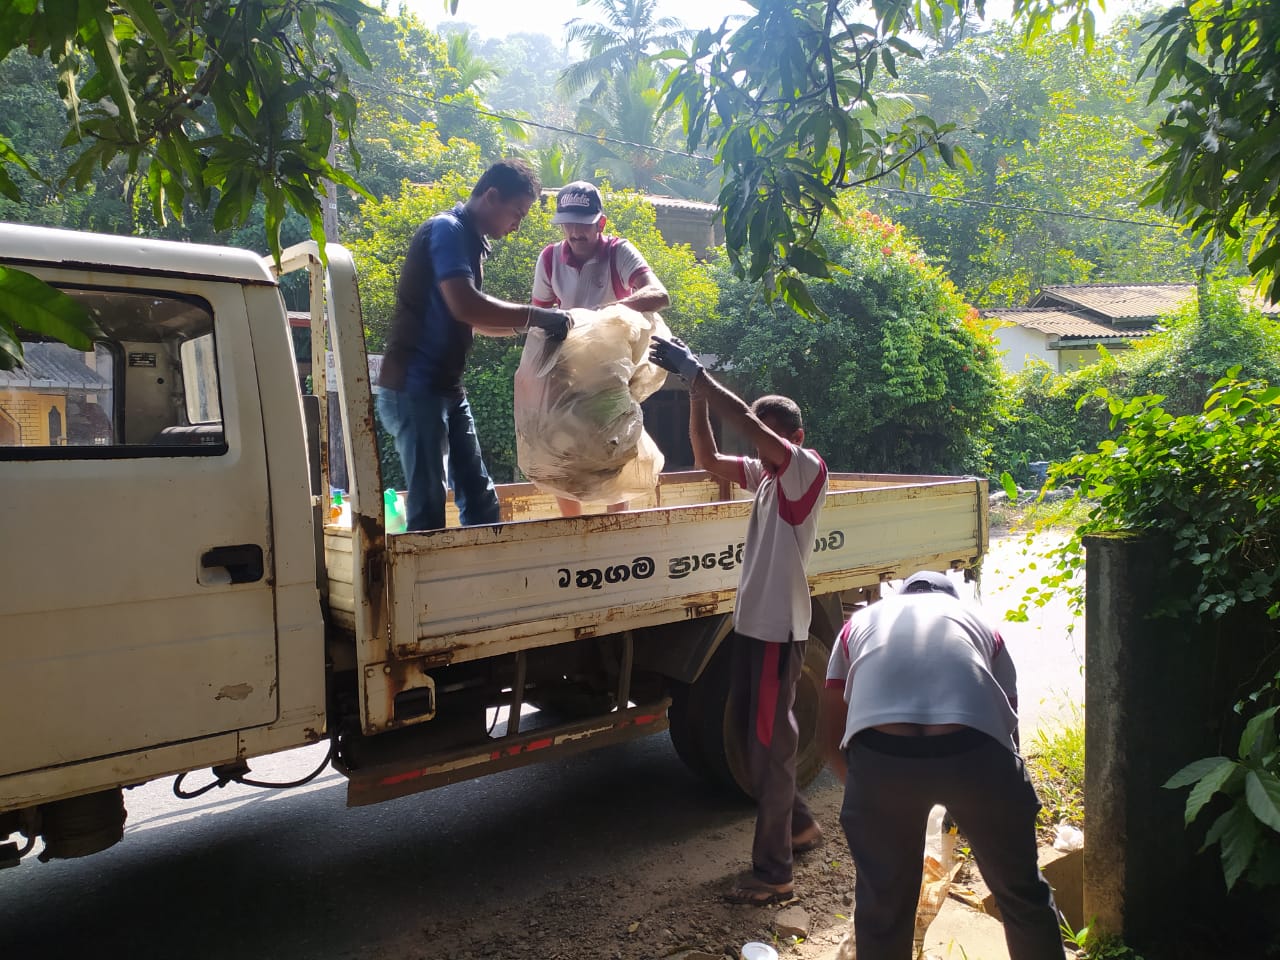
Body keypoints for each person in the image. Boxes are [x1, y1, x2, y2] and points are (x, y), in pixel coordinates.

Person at [648, 335, 829, 906]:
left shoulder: (803, 469)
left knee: (769, 751)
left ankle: (775, 873)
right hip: (754, 627)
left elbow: (748, 424)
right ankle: (799, 826)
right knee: (760, 745)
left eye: (771, 437)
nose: (762, 446)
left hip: (779, 631)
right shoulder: (770, 477)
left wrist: (700, 374)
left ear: (792, 439)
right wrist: (694, 396)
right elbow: (707, 459)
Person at [819, 570, 1066, 960]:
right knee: (1021, 894)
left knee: (883, 909)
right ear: (952, 598)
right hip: (976, 751)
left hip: (882, 758)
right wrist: (991, 804)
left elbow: (831, 732)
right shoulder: (980, 624)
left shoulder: (857, 626)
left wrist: (871, 794)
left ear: (903, 595)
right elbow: (1008, 729)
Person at [376, 159, 573, 532]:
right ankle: (427, 588)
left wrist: (530, 330)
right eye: (517, 213)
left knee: (480, 498)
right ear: (491, 195)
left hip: (447, 391)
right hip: (414, 388)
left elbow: (474, 320)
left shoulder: (471, 241)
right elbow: (465, 304)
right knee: (429, 504)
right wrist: (537, 316)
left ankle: (484, 580)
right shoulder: (446, 230)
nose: (516, 226)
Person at [528, 180, 671, 516]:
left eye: (584, 225)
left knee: (611, 449)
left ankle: (614, 531)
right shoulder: (549, 259)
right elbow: (539, 318)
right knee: (560, 450)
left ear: (601, 223)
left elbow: (659, 295)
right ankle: (571, 528)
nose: (576, 233)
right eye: (569, 224)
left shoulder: (618, 252)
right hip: (566, 368)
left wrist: (603, 315)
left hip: (611, 371)